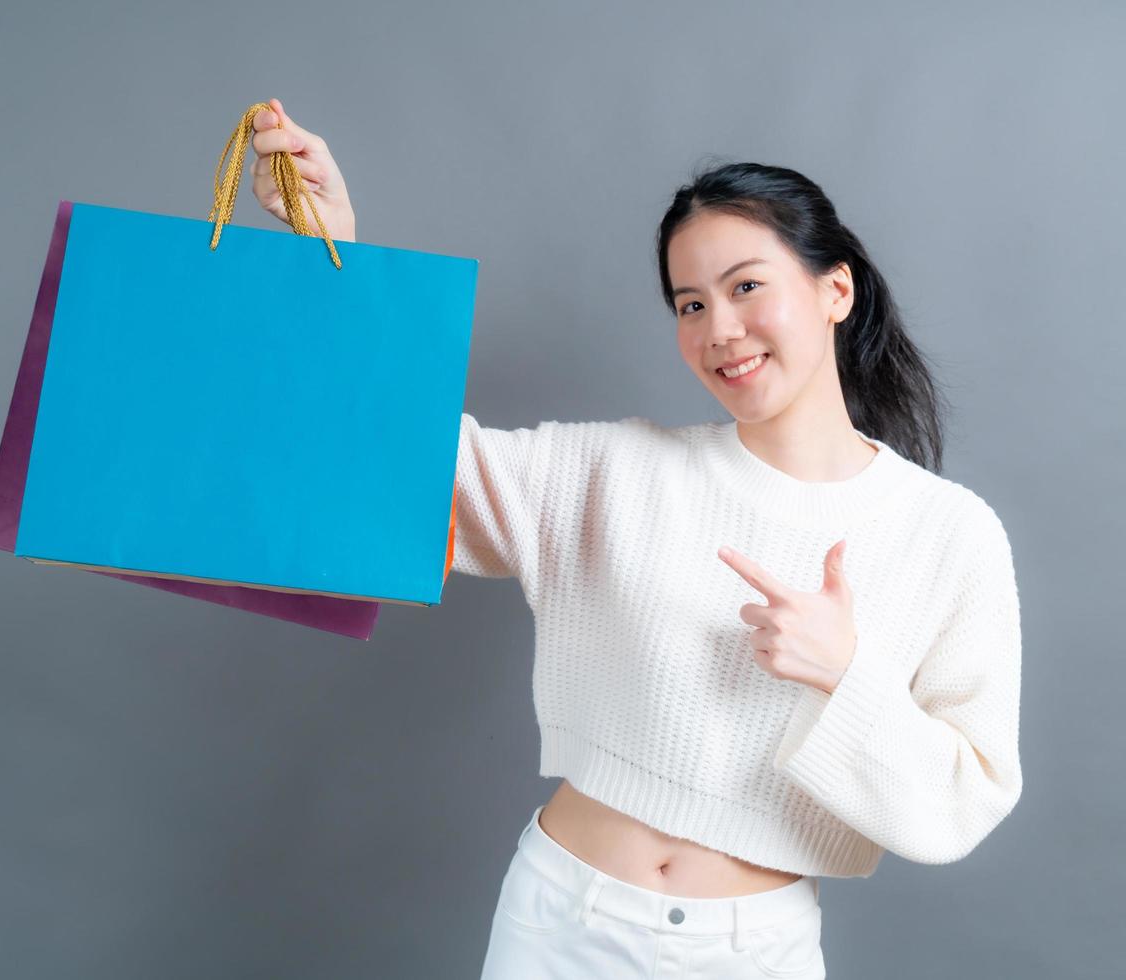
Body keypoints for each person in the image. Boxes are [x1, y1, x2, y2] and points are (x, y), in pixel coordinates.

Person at [248, 98, 1023, 980]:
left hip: (752, 953)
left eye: (745, 287)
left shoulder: (948, 536)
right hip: (560, 926)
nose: (718, 330)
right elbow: (398, 464)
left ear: (833, 288)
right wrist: (333, 256)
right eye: (689, 304)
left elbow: (964, 800)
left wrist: (845, 678)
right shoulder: (614, 472)